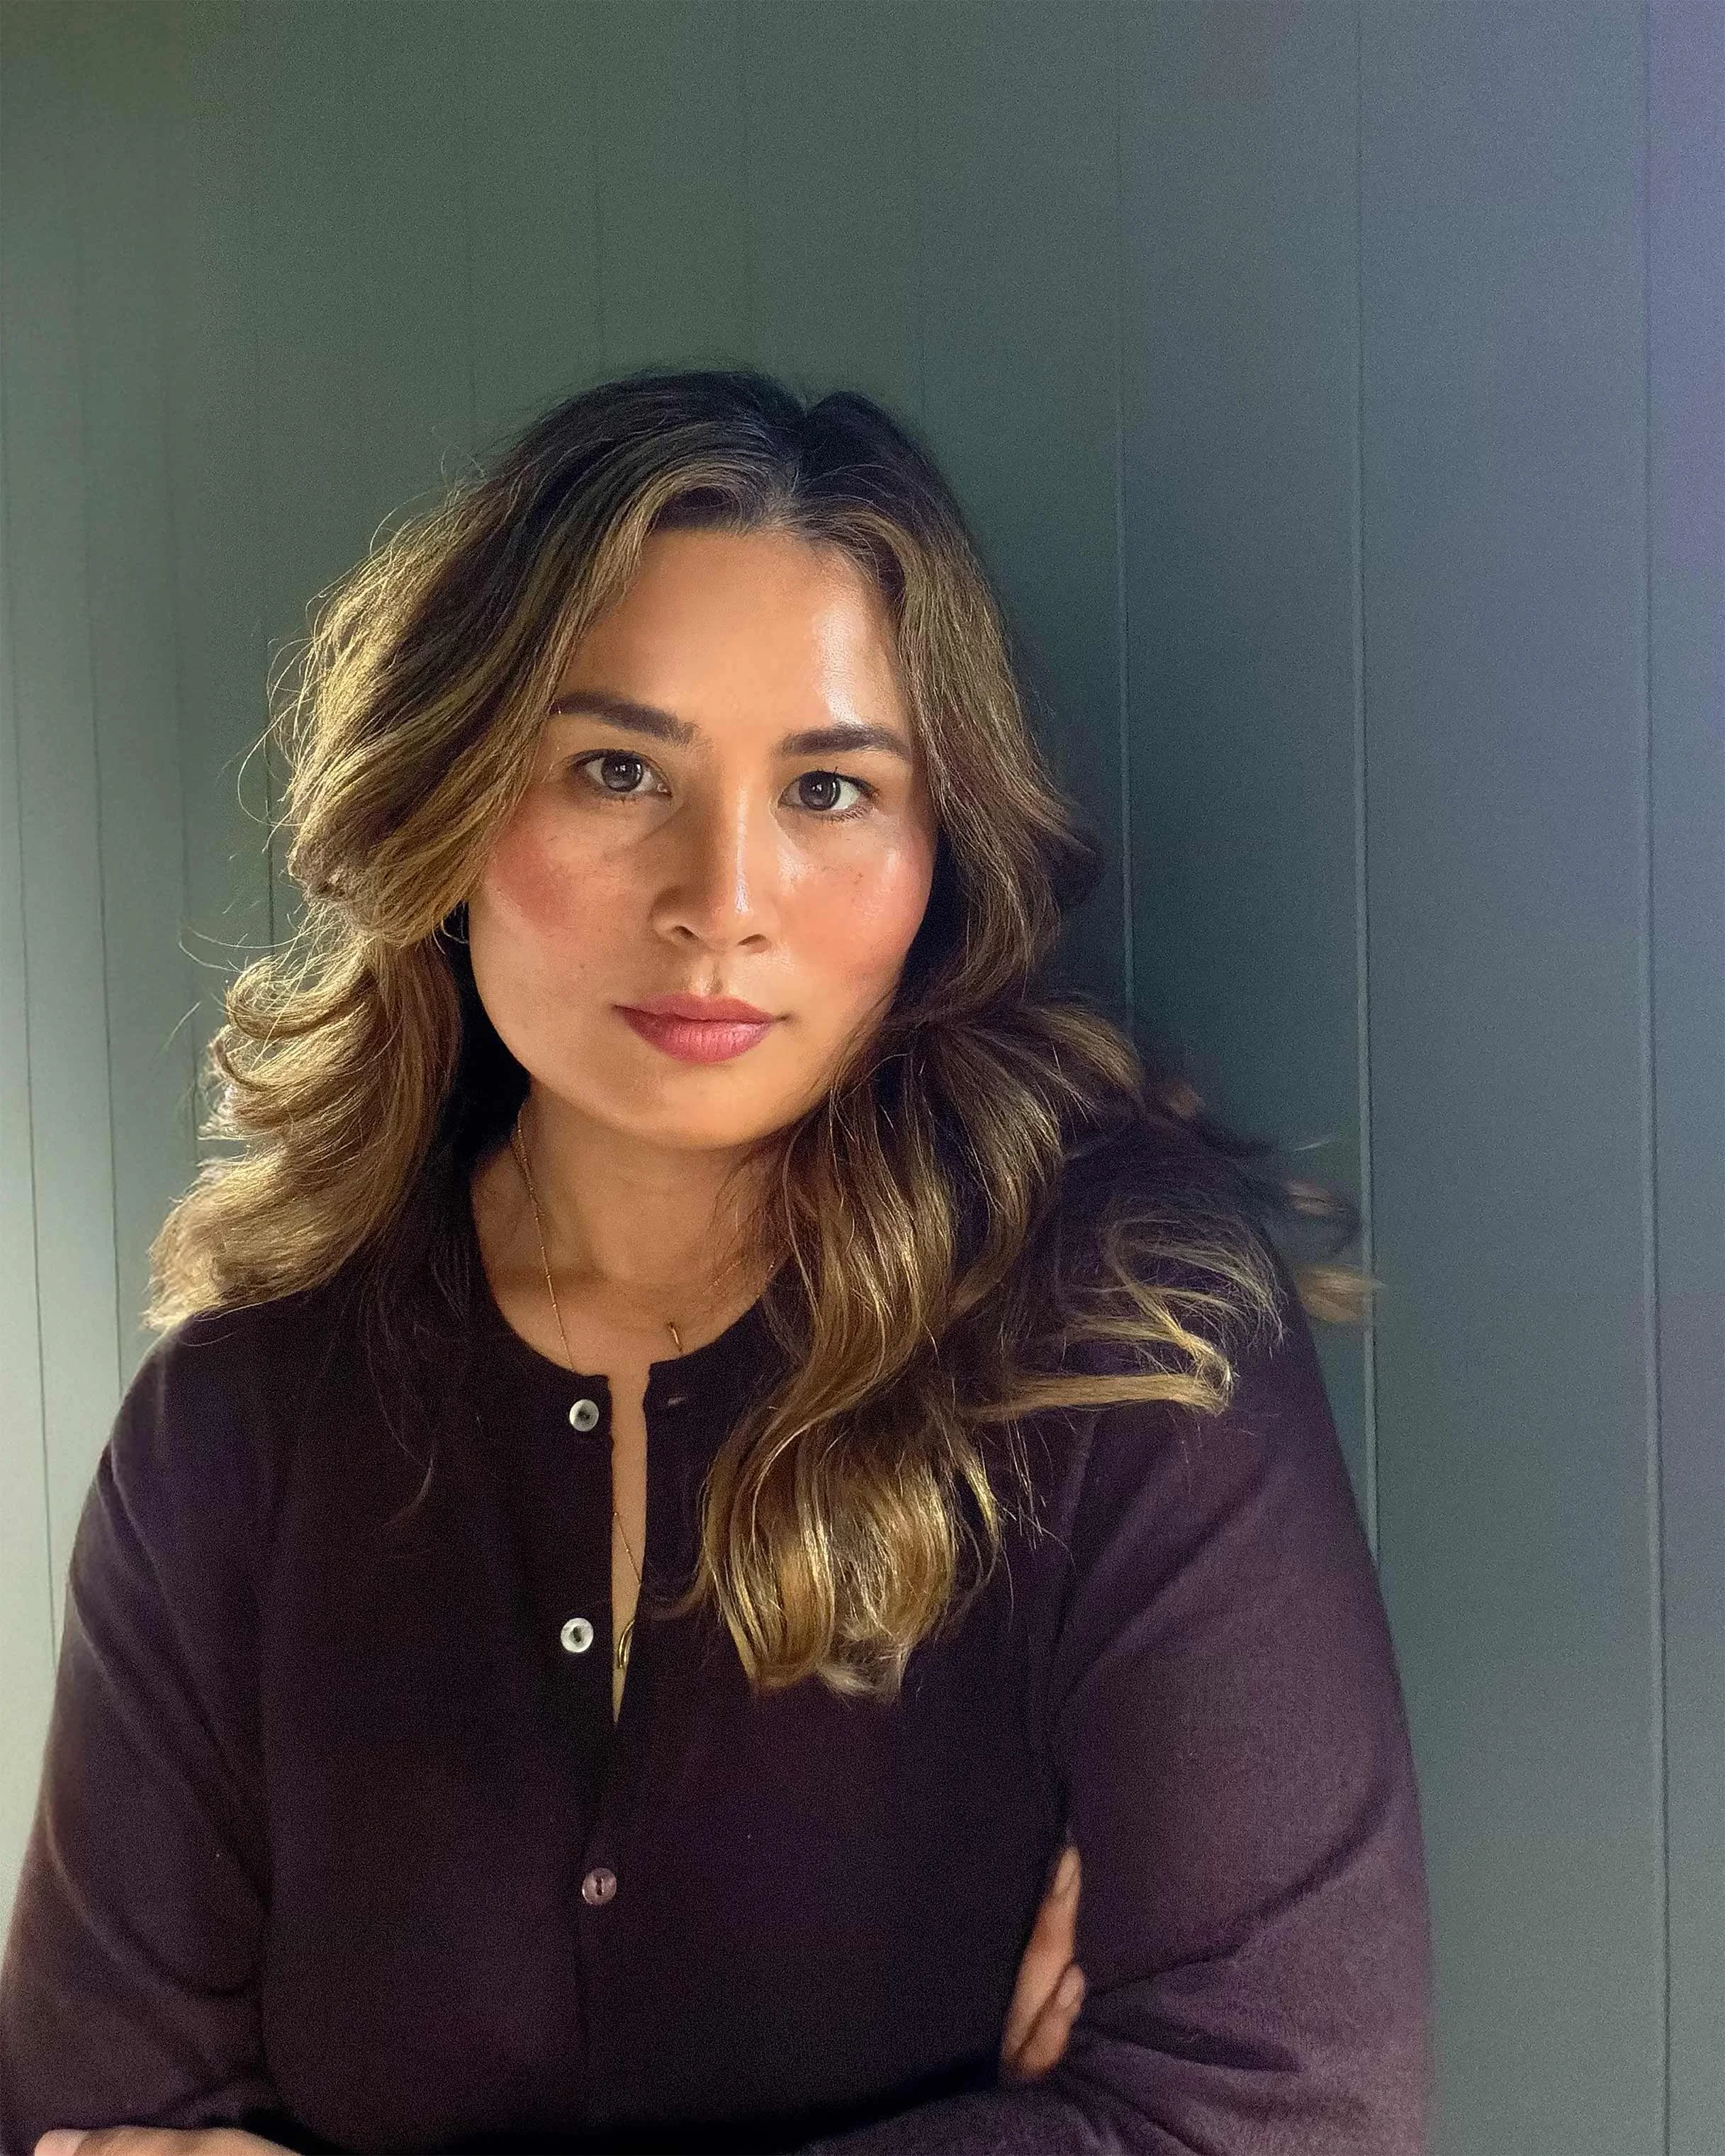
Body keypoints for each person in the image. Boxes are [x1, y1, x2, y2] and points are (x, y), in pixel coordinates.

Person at [0, 369, 1432, 2155]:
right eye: (617, 770)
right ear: (444, 806)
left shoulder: (1118, 1337)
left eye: (829, 788)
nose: (722, 896)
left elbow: (1283, 2114)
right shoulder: (233, 1436)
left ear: (935, 849)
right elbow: (88, 2122)